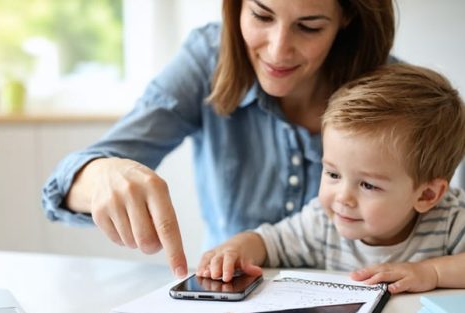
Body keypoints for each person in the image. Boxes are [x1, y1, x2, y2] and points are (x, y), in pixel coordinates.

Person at [42, 0, 396, 278]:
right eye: (261, 15)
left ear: (346, 18)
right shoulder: (206, 58)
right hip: (227, 311)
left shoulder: (391, 89)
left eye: (308, 27)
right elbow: (63, 187)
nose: (277, 49)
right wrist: (102, 174)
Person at [196, 63, 465, 294]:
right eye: (333, 174)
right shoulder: (323, 223)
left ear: (426, 195)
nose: (342, 197)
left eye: (368, 185)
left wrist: (431, 273)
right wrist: (237, 248)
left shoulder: (451, 219)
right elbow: (269, 242)